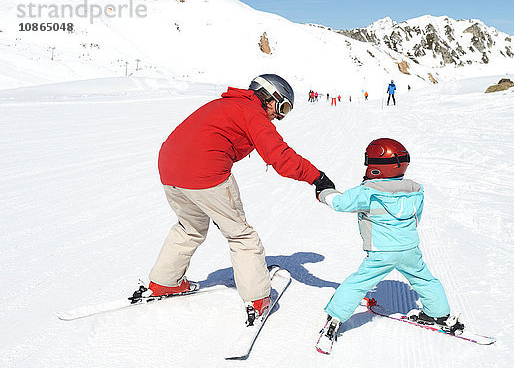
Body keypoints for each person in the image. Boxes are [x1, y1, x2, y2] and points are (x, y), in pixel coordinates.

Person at [147, 73, 335, 325]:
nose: (279, 116)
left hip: (170, 170)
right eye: (282, 108)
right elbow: (279, 157)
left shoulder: (223, 104)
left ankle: (164, 283)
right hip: (206, 172)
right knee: (241, 235)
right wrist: (317, 177)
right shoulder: (251, 112)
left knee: (189, 228)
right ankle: (257, 299)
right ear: (270, 97)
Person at [315, 138, 463, 343]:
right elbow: (416, 217)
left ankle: (335, 318)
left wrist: (324, 193)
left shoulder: (368, 191)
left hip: (382, 252)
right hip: (410, 248)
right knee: (425, 279)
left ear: (376, 167)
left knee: (358, 283)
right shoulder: (415, 190)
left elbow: (340, 203)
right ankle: (439, 314)